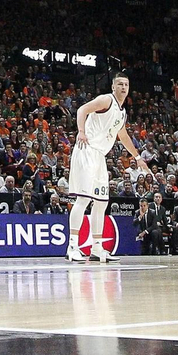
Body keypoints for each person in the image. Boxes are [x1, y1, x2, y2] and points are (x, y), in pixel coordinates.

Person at [65, 74, 152, 263]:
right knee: (83, 200)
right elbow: (82, 109)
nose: (123, 87)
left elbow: (123, 135)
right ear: (113, 87)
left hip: (99, 157)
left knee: (102, 202)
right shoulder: (106, 100)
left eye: (126, 84)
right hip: (86, 150)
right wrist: (81, 131)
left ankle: (97, 248)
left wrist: (137, 157)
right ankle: (72, 247)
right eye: (120, 84)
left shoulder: (122, 112)